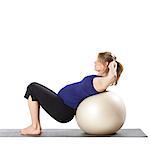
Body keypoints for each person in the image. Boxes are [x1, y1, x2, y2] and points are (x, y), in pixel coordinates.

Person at [20, 51, 123, 135]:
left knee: (33, 87)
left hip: (63, 109)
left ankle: (34, 127)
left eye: (98, 60)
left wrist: (113, 65)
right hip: (61, 104)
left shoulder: (101, 82)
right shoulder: (99, 79)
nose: (94, 62)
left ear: (105, 64)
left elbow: (112, 77)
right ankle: (36, 126)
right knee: (33, 91)